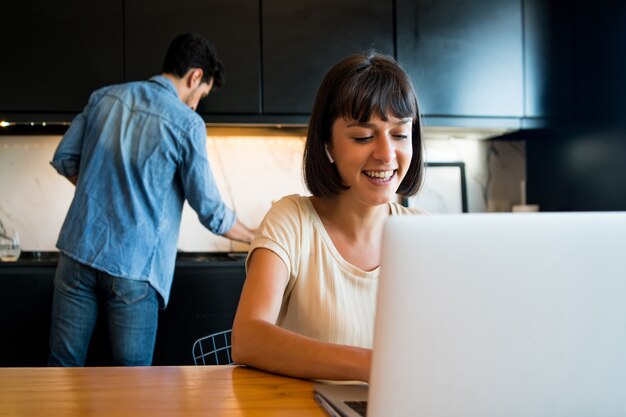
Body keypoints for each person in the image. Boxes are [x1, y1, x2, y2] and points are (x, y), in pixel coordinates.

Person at [48, 32, 255, 367]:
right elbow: (210, 210)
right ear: (195, 76)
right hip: (136, 267)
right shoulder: (186, 123)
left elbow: (65, 159)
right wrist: (254, 236)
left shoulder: (104, 98)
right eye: (200, 95)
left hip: (77, 252)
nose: (195, 103)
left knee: (60, 369)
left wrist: (100, 190)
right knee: (134, 382)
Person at [231, 52, 424, 382]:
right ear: (328, 146)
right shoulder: (292, 221)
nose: (386, 154)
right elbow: (248, 337)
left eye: (399, 134)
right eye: (363, 136)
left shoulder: (425, 234)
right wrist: (372, 366)